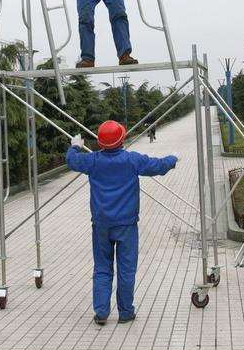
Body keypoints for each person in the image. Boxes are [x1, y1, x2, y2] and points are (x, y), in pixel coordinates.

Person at [66, 120, 179, 325]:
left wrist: (75, 145)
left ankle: (101, 312)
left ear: (100, 142)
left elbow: (72, 160)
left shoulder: (92, 161)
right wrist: (173, 159)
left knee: (102, 268)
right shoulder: (131, 160)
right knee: (126, 269)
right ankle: (126, 312)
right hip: (127, 225)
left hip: (101, 224)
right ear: (122, 139)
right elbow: (158, 166)